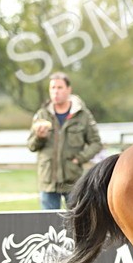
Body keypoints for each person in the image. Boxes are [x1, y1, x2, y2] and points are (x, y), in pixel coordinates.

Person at [28, 73, 103, 210]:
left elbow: (96, 143)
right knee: (48, 221)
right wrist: (40, 137)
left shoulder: (83, 115)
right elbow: (31, 146)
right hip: (48, 182)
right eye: (53, 88)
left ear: (69, 89)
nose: (55, 91)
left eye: (60, 87)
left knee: (75, 220)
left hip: (73, 181)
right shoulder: (42, 114)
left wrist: (80, 158)